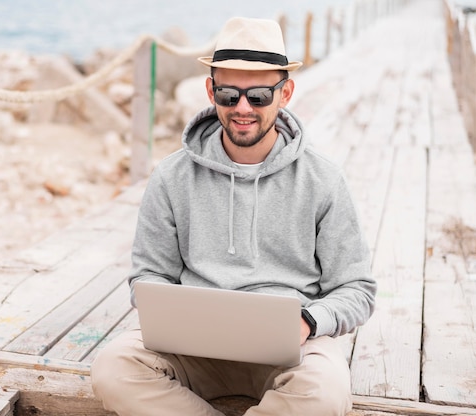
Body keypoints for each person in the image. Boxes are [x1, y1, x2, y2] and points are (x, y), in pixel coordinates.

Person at [91, 16, 376, 416]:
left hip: (292, 352)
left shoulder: (324, 179)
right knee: (112, 368)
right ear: (210, 90)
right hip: (192, 348)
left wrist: (309, 321)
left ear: (286, 92)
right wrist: (168, 308)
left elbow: (357, 290)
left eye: (259, 95)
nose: (242, 108)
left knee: (325, 392)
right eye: (228, 94)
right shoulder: (171, 176)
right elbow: (147, 276)